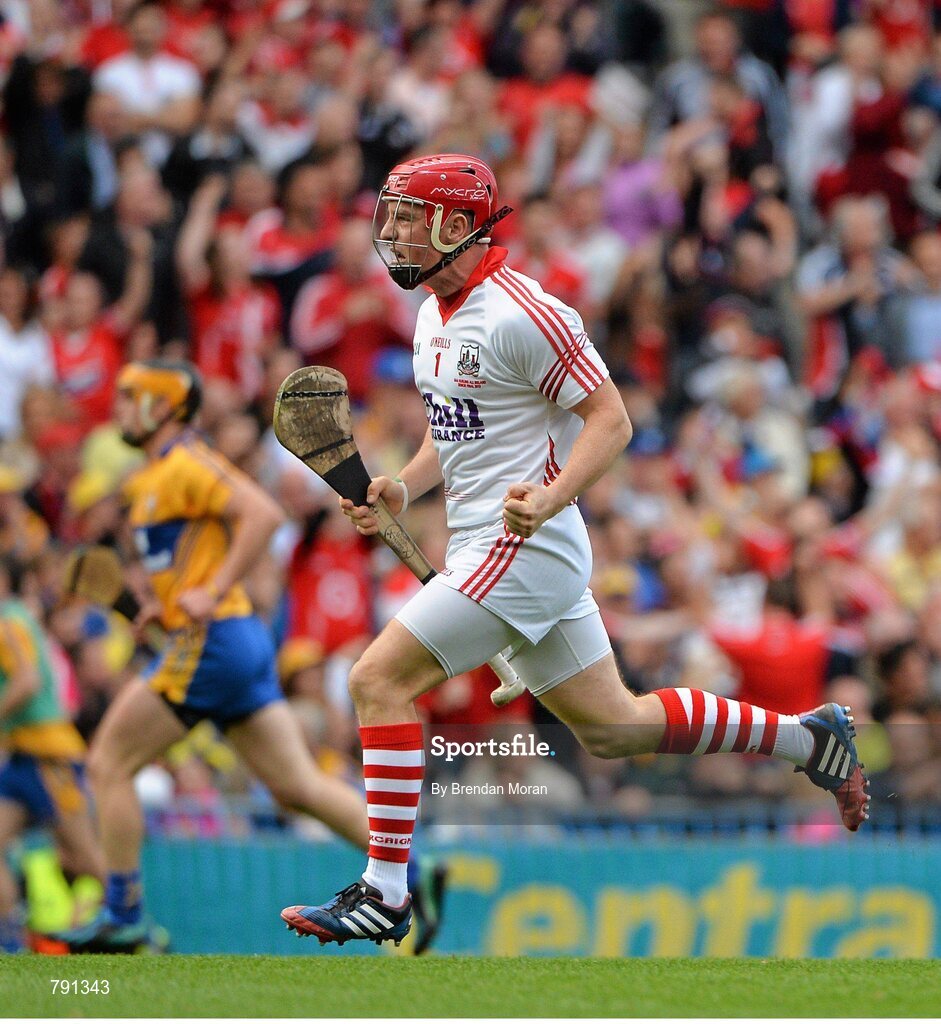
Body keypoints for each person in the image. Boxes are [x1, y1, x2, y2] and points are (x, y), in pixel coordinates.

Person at [280, 153, 870, 948]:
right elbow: (457, 431)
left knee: (376, 679)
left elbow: (612, 421)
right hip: (499, 546)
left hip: (524, 545)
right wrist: (405, 488)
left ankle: (385, 890)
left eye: (405, 218)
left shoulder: (528, 313)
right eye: (388, 216)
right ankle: (810, 738)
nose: (388, 233)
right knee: (615, 727)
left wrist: (551, 497)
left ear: (456, 226)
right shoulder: (431, 313)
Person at [55, 359, 446, 953]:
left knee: (108, 763)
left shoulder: (185, 461)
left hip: (212, 643)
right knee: (296, 787)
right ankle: (412, 874)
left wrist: (210, 592)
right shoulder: (154, 476)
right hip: (232, 642)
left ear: (165, 407)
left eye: (133, 397)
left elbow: (261, 515)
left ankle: (124, 916)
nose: (119, 407)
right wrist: (169, 604)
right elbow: (194, 564)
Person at [0, 559, 103, 953]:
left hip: (49, 755)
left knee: (84, 856)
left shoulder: (8, 620)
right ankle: (12, 941)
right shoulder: (18, 617)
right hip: (23, 754)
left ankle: (136, 926)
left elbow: (27, 682)